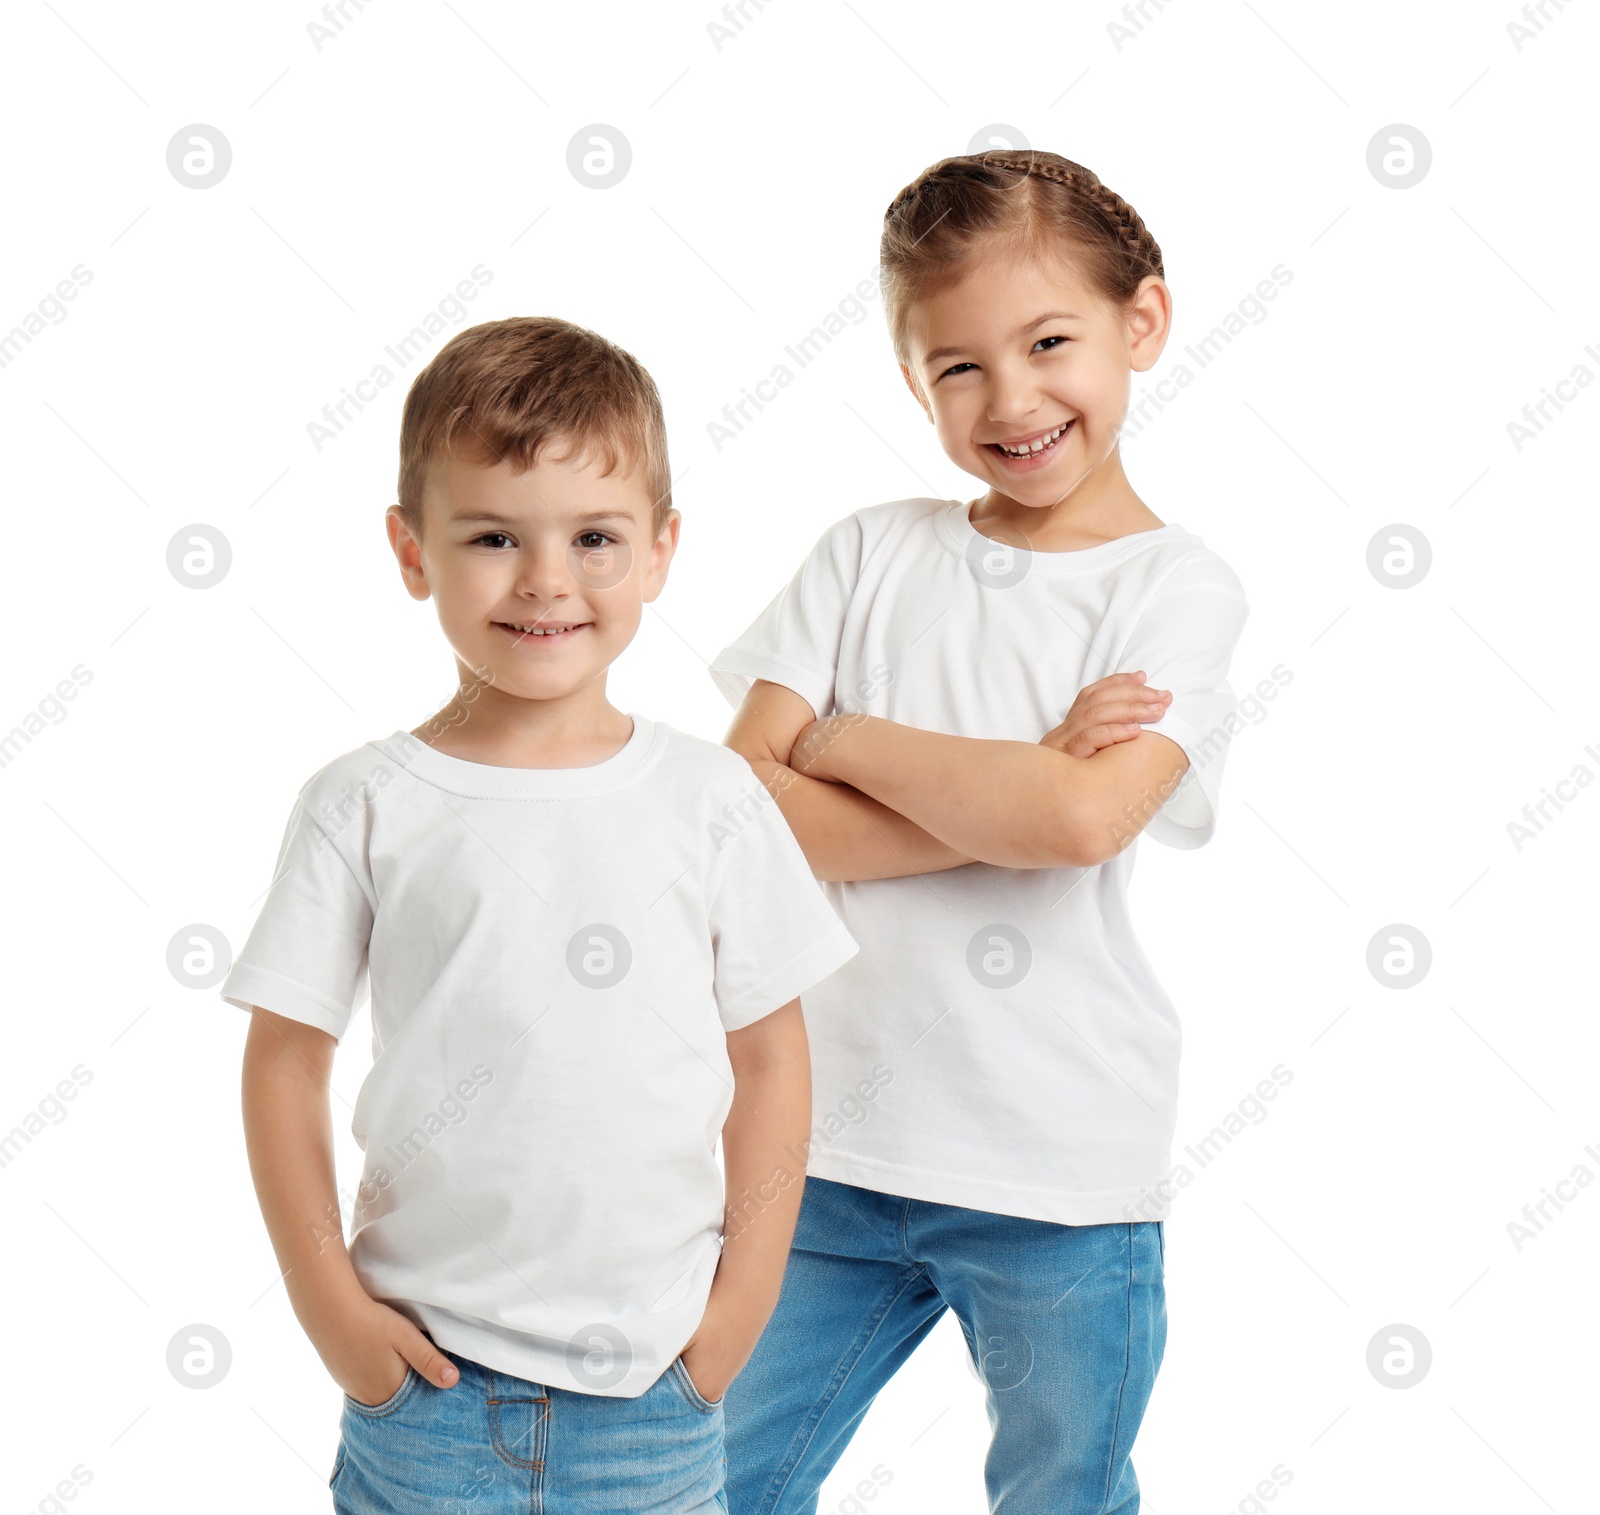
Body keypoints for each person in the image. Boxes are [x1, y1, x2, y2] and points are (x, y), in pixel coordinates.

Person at [225, 315, 858, 1513]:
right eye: (494, 535)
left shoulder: (711, 798)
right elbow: (281, 1067)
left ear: (662, 549)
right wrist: (332, 1315)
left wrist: (738, 1316)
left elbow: (773, 1060)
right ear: (412, 550)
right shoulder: (363, 801)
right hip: (423, 1391)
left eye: (596, 538)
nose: (546, 579)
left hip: (658, 1398)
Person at [709, 149, 1251, 1513]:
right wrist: (1004, 790)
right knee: (714, 1481)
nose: (1010, 398)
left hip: (1056, 1165)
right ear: (912, 378)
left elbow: (1079, 821)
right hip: (816, 1152)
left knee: (1062, 1488)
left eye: (1050, 341)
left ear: (1144, 323)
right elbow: (734, 815)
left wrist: (833, 742)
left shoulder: (1175, 590)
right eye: (955, 365)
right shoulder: (866, 552)